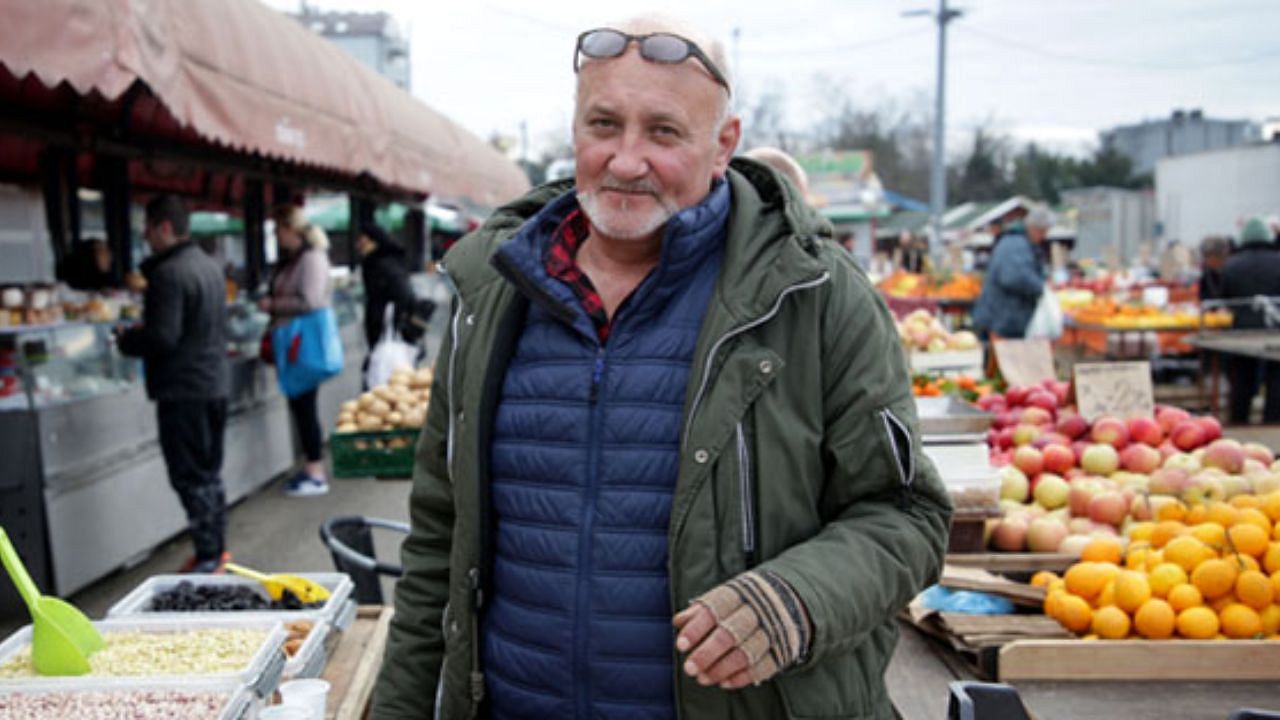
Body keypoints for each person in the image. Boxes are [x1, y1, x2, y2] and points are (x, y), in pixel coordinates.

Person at [373, 14, 951, 720]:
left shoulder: (815, 296)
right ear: (575, 129)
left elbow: (907, 513)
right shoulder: (492, 295)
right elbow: (438, 544)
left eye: (664, 132)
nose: (625, 160)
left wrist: (798, 601)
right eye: (604, 124)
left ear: (723, 145)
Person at [115, 195, 230, 574]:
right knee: (209, 473)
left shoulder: (168, 274)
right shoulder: (209, 265)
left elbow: (163, 337)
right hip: (213, 383)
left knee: (191, 477)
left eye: (147, 229)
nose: (145, 238)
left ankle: (210, 557)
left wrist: (127, 340)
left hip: (184, 389)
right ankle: (215, 550)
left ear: (164, 227)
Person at [260, 203, 333, 497]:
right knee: (301, 405)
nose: (276, 237)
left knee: (304, 406)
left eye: (278, 230)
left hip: (302, 344)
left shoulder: (311, 258)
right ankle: (312, 467)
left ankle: (315, 472)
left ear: (291, 229)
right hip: (292, 342)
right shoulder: (296, 258)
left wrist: (272, 305)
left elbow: (311, 300)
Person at [1220, 217, 1280, 423]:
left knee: (1242, 376)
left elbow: (1224, 298)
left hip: (1242, 330)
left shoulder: (1232, 265)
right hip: (1275, 330)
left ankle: (1238, 419)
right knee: (1276, 375)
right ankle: (1273, 421)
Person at [971, 207, 1051, 339]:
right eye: (1043, 232)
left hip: (1004, 318)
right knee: (1000, 351)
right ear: (1034, 228)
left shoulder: (1016, 242)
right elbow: (1013, 277)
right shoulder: (1016, 245)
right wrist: (1041, 287)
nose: (1044, 237)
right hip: (1001, 320)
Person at [357, 222, 416, 351]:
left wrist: (390, 322)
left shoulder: (380, 263)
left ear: (373, 241)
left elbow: (402, 292)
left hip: (386, 328)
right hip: (387, 327)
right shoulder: (387, 260)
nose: (358, 245)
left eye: (362, 240)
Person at [1198, 236, 1231, 303]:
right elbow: (1202, 296)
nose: (1206, 260)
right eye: (1205, 256)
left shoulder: (1232, 272)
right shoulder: (1207, 274)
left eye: (1208, 255)